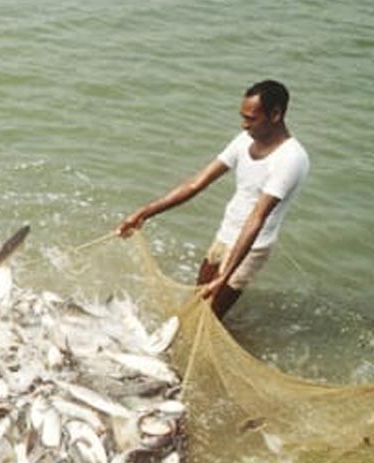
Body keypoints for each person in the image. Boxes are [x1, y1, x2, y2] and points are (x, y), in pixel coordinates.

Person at [117, 80, 309, 318]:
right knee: (196, 305)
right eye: (243, 116)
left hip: (251, 248)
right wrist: (144, 213)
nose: (244, 124)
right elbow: (196, 184)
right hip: (224, 235)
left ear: (276, 114)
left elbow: (256, 218)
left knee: (210, 316)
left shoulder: (291, 158)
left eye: (251, 118)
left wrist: (226, 274)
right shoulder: (244, 139)